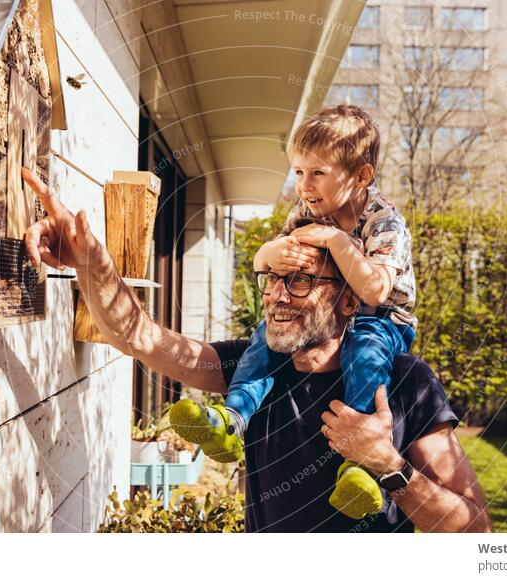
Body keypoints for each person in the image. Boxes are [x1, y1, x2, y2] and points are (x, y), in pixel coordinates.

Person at [20, 167, 493, 533]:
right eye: (272, 279)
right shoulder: (258, 367)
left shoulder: (406, 382)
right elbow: (140, 337)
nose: (278, 296)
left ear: (351, 299)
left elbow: (474, 528)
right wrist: (90, 262)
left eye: (302, 280)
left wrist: (388, 466)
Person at [169, 104, 417, 520]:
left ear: (361, 176)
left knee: (365, 353)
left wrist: (337, 241)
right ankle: (233, 421)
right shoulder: (305, 213)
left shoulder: (383, 221)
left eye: (318, 172)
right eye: (299, 172)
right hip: (321, 316)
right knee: (265, 339)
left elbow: (375, 289)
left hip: (380, 319)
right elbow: (267, 260)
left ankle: (358, 468)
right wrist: (268, 251)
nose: (304, 185)